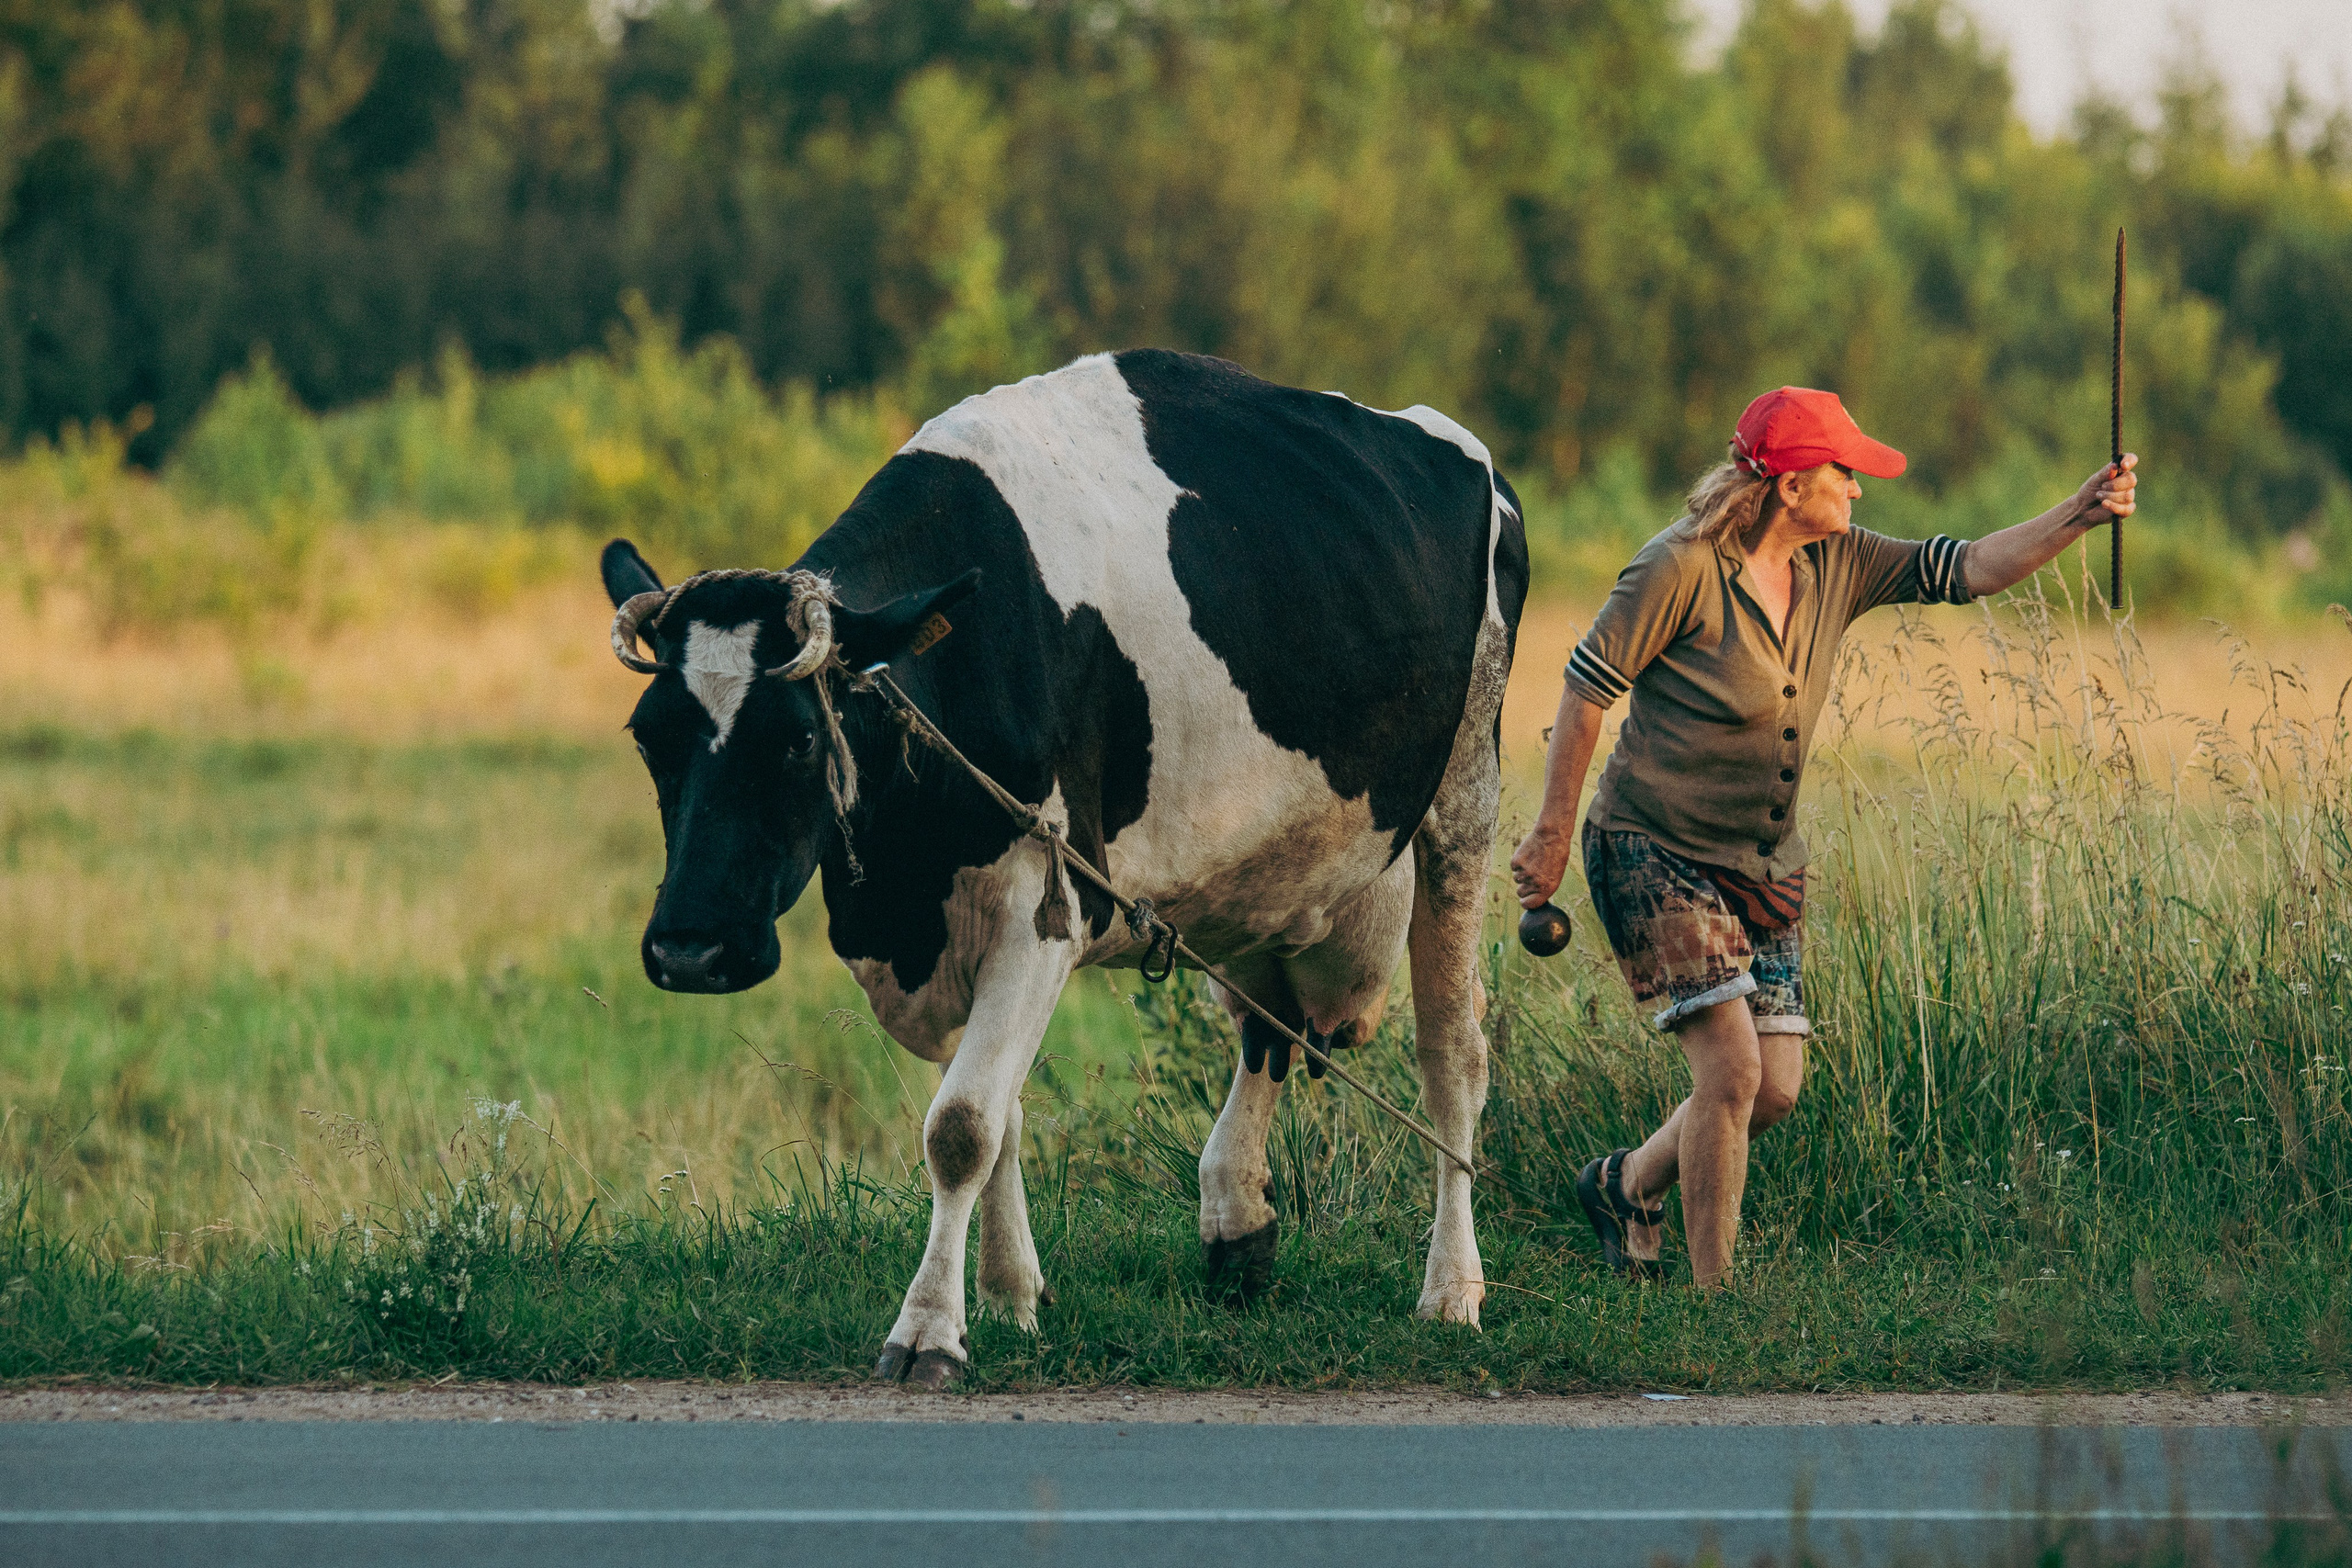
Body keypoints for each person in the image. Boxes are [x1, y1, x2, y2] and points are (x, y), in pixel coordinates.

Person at [1510, 386, 2136, 1289]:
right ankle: (1716, 1300)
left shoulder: (1841, 559)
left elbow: (1970, 568)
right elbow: (1584, 692)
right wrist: (1552, 833)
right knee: (1728, 1069)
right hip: (1651, 849)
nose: (1858, 488)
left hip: (1761, 868)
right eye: (1844, 472)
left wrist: (2081, 512)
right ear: (1790, 485)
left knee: (1772, 1089)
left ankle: (1626, 1183)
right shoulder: (1677, 568)